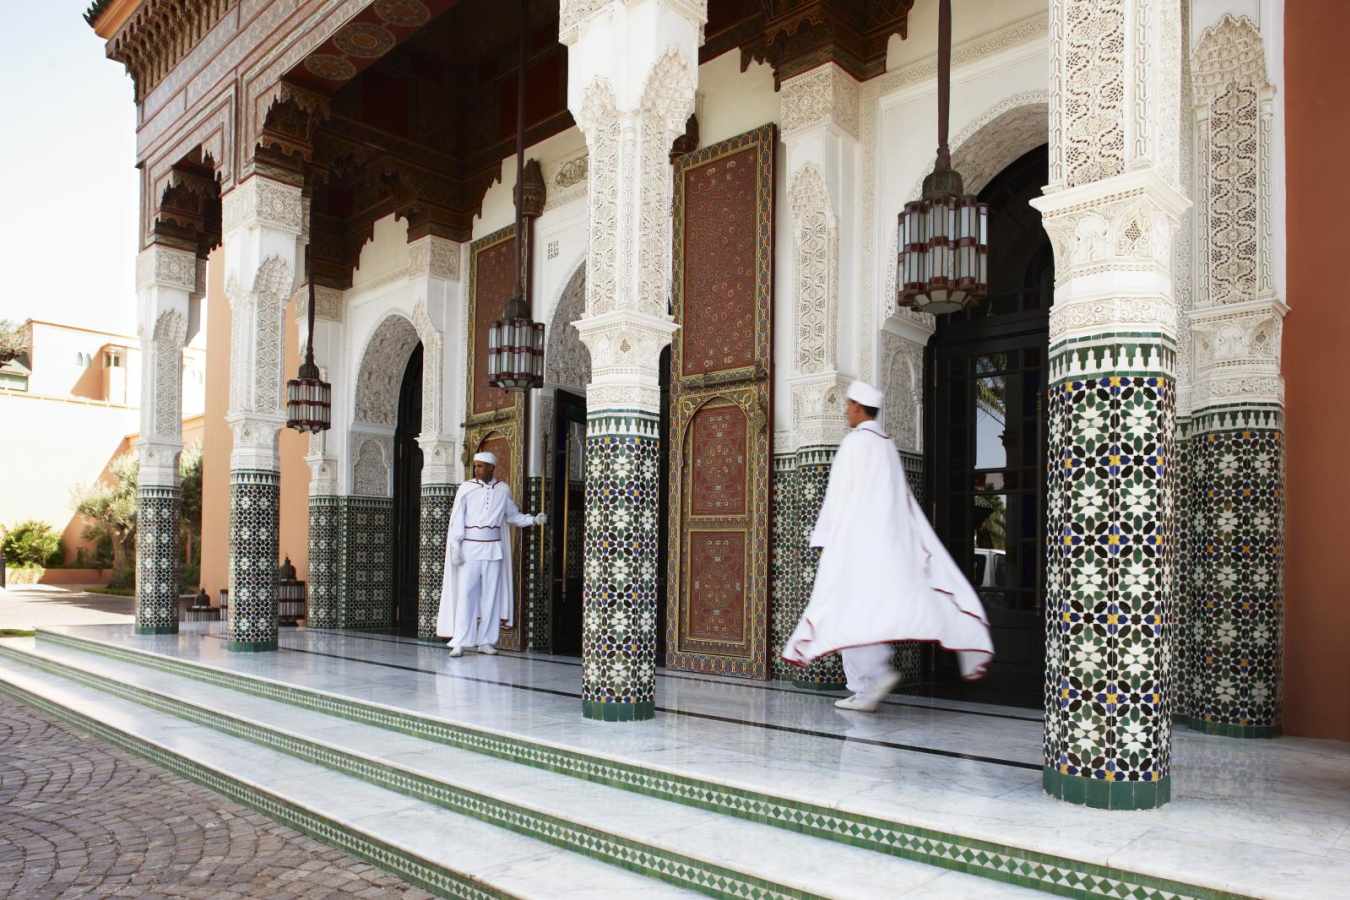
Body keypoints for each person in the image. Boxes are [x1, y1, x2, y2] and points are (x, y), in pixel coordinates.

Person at [782, 380, 994, 711]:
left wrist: (824, 540)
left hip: (854, 546)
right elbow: (902, 503)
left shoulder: (855, 445)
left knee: (849, 611)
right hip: (884, 547)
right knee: (864, 610)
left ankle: (873, 678)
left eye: (848, 405)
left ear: (857, 407)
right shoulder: (886, 447)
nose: (845, 411)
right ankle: (868, 682)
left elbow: (839, 496)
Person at [436, 451, 546, 657]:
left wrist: (533, 520)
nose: (476, 469)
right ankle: (460, 641)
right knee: (466, 595)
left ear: (491, 468)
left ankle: (486, 641)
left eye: (480, 466)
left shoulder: (503, 489)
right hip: (469, 549)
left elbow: (512, 516)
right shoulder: (466, 488)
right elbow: (457, 519)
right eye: (475, 466)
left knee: (491, 596)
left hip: (493, 548)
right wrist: (456, 547)